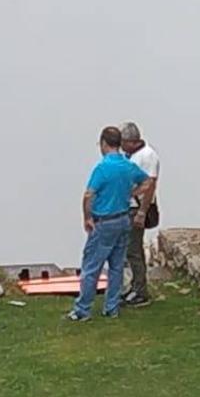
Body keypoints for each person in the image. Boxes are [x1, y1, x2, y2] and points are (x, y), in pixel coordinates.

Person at [68, 126, 151, 321]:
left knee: (91, 267)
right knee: (116, 266)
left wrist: (87, 217)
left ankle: (83, 310)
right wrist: (132, 193)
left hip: (104, 221)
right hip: (123, 219)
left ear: (104, 143)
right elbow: (147, 182)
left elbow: (89, 194)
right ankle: (111, 307)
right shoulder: (127, 165)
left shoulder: (103, 168)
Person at [120, 121, 160, 307]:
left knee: (134, 250)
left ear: (132, 141)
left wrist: (142, 211)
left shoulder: (148, 156)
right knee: (130, 250)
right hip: (129, 207)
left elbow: (150, 186)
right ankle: (135, 285)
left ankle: (140, 290)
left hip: (137, 208)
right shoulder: (130, 156)